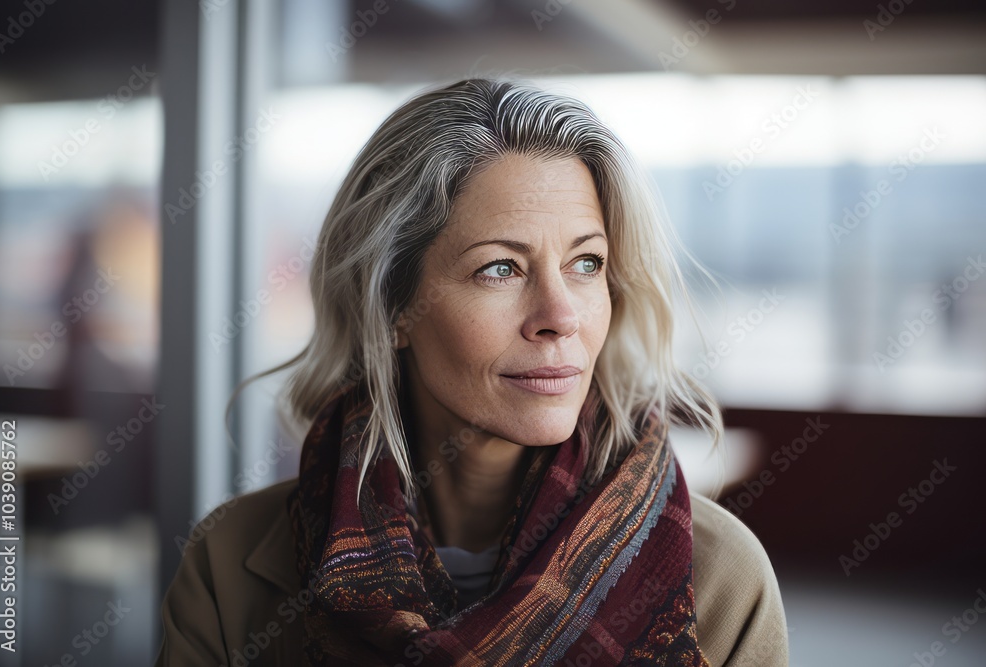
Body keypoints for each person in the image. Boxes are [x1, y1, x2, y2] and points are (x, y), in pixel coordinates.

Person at [154, 77, 789, 666]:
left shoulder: (723, 579)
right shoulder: (229, 564)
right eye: (500, 268)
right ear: (393, 307)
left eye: (587, 263)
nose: (560, 317)